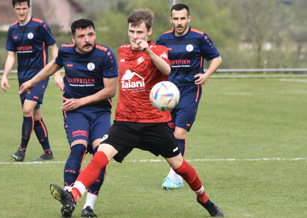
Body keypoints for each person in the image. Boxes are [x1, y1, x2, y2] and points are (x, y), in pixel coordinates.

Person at [33, 9, 224, 217]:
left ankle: (205, 200)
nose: (135, 36)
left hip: (154, 124)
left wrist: (148, 52)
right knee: (100, 156)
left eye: (140, 32)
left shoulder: (158, 50)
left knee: (180, 167)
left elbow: (167, 70)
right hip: (125, 123)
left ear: (149, 32)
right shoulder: (122, 51)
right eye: (132, 31)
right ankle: (74, 195)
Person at [19, 19, 119, 217]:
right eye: (81, 36)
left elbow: (110, 91)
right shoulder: (65, 51)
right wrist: (31, 82)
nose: (87, 39)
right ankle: (68, 199)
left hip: (99, 112)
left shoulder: (105, 54)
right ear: (73, 39)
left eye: (90, 34)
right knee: (79, 146)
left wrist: (80, 101)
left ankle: (88, 206)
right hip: (75, 112)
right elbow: (52, 67)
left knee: (101, 153)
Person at [157, 3, 223, 190]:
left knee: (179, 132)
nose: (179, 22)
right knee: (169, 135)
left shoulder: (199, 37)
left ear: (189, 19)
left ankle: (175, 176)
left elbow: (216, 58)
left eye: (182, 18)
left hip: (189, 90)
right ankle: (177, 172)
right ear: (171, 20)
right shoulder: (163, 39)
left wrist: (206, 75)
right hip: (168, 92)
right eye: (176, 19)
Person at [1, 0, 59, 161]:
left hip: (39, 77)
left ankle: (21, 151)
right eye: (18, 9)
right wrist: (5, 75)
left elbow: (54, 48)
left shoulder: (40, 26)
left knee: (27, 110)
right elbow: (11, 55)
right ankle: (48, 153)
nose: (21, 11)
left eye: (24, 8)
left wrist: (56, 73)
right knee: (35, 115)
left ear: (29, 7)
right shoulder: (12, 29)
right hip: (23, 79)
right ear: (14, 8)